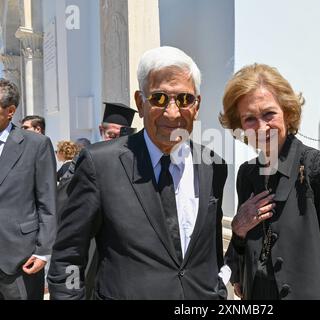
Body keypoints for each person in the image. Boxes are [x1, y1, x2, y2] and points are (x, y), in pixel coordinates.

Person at [48, 46, 229, 299]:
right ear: (139, 103)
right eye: (159, 98)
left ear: (197, 105)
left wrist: (218, 291)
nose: (173, 112)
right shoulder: (100, 164)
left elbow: (211, 252)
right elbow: (68, 255)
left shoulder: (213, 165)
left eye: (185, 99)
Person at [220, 64, 320, 300]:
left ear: (287, 112)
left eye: (269, 114)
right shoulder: (246, 175)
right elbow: (240, 256)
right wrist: (238, 231)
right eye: (249, 118)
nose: (261, 126)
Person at [0, 79, 57, 299]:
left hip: (19, 259)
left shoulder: (36, 145)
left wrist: (43, 251)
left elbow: (48, 202)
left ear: (10, 111)